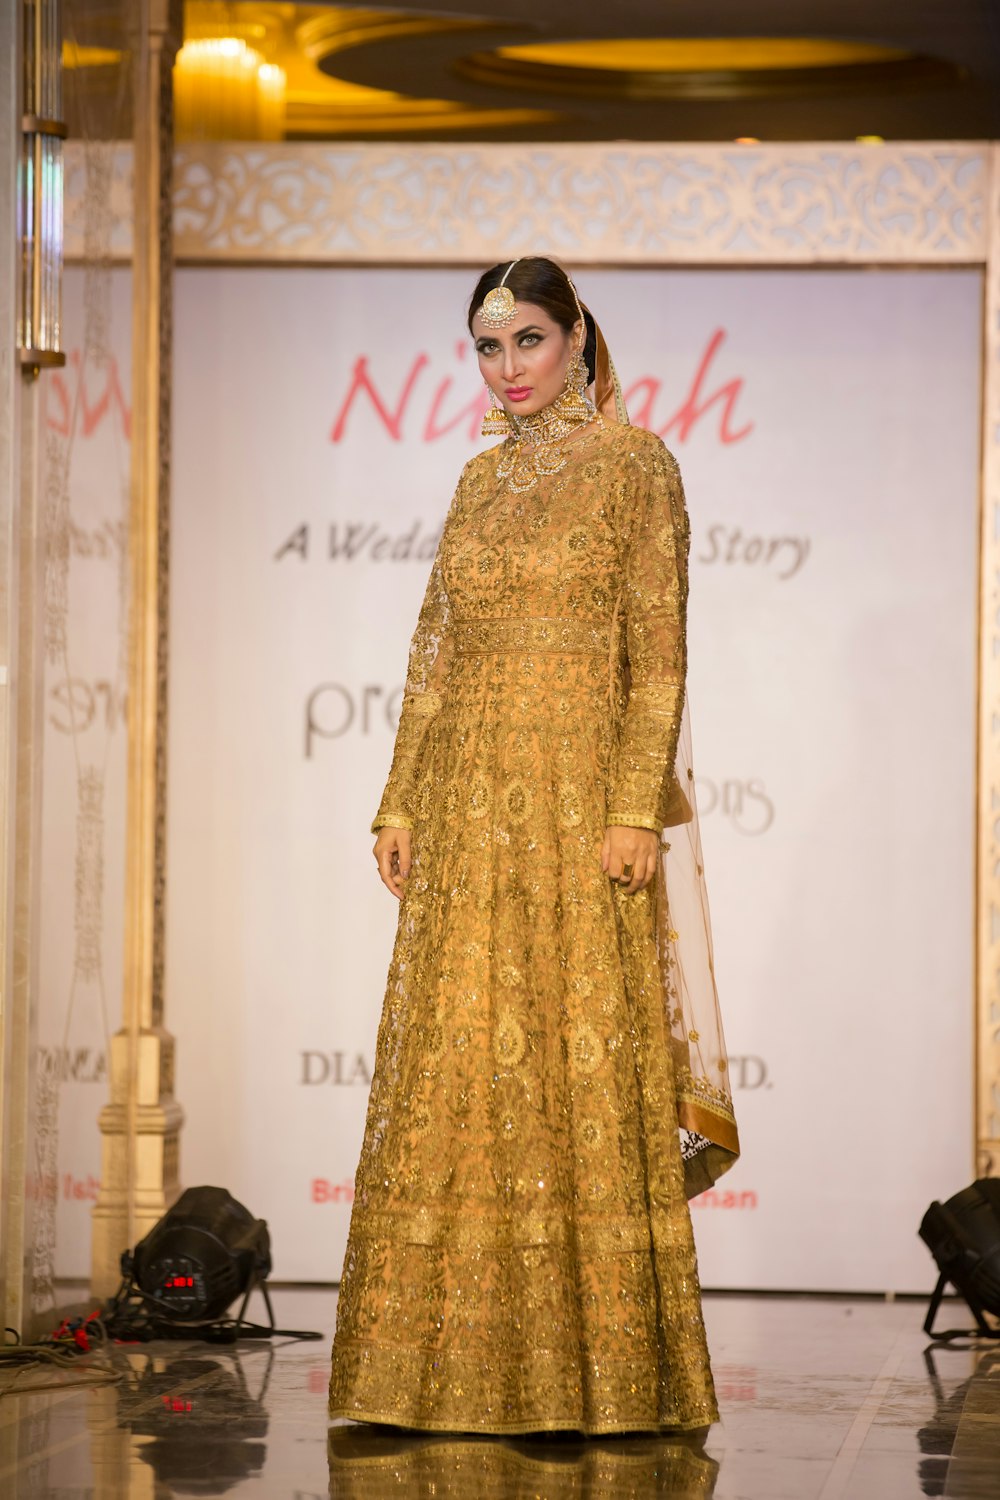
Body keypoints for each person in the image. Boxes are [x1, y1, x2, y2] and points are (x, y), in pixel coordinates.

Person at [329, 256, 740, 1436]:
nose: (507, 370)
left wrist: (628, 808)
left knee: (578, 1068)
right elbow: (434, 655)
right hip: (468, 811)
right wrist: (400, 802)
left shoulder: (635, 465)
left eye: (527, 342)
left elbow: (658, 654)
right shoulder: (474, 484)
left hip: (578, 813)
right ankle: (424, 1380)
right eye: (486, 348)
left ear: (578, 340)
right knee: (457, 1073)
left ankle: (598, 1380)